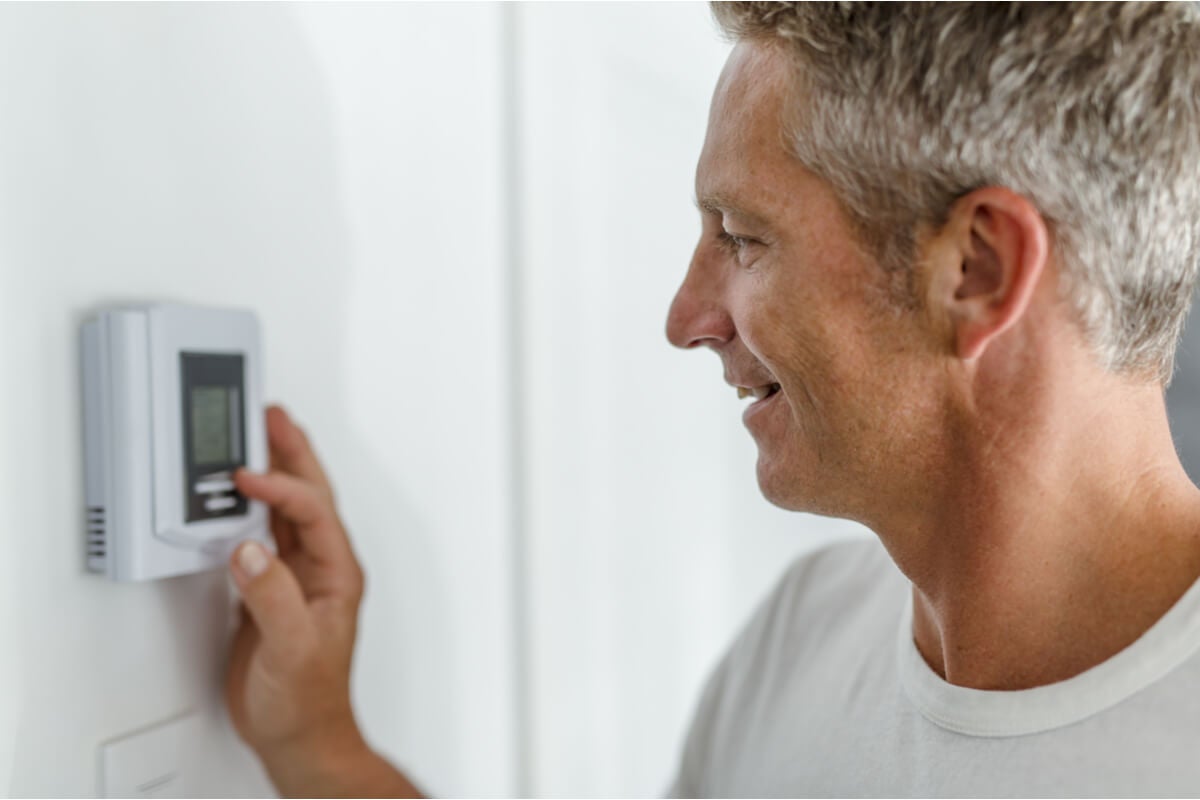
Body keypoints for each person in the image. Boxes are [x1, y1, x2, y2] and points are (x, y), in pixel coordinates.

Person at [224, 2, 1200, 796]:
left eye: (742, 236)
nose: (686, 318)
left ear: (978, 267)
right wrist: (320, 745)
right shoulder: (806, 633)